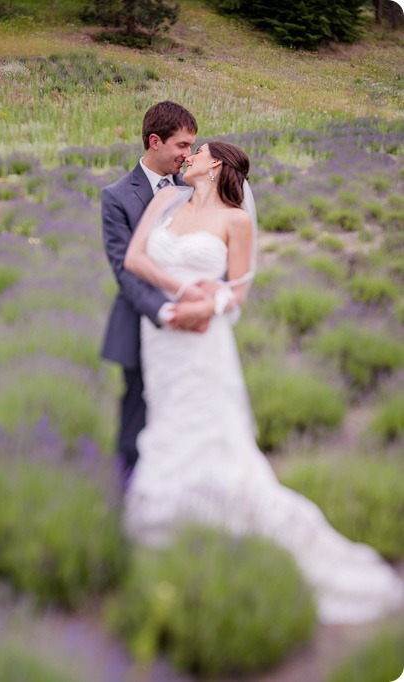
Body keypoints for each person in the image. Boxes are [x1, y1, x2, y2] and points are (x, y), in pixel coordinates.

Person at [123, 139, 404, 625]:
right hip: (163, 333)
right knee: (166, 422)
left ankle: (213, 522)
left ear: (217, 164)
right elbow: (135, 258)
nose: (186, 157)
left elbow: (237, 292)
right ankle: (167, 523)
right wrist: (180, 296)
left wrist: (205, 306)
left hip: (202, 340)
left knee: (209, 432)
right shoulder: (164, 200)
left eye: (197, 151)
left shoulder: (237, 221)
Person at [101, 101, 212, 485]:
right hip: (140, 321)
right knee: (136, 417)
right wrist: (165, 312)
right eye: (182, 145)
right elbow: (124, 271)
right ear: (155, 141)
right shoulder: (116, 197)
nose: (188, 154)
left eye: (192, 146)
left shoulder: (194, 191)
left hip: (191, 325)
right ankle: (127, 495)